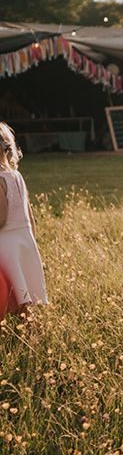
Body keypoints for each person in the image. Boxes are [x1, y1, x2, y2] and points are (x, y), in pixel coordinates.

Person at [0, 123, 48, 314]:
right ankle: (31, 328)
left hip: (6, 242)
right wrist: (32, 241)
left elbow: (2, 218)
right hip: (25, 237)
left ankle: (29, 331)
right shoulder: (17, 176)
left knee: (16, 289)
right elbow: (30, 214)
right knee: (25, 288)